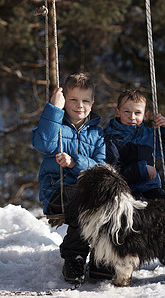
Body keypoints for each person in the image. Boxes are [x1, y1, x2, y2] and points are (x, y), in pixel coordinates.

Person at [31, 73, 106, 282]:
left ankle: (102, 258)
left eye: (85, 100)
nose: (79, 105)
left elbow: (101, 167)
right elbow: (43, 144)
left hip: (86, 193)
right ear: (64, 101)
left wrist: (75, 162)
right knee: (83, 201)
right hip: (58, 190)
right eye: (73, 99)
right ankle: (75, 256)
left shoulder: (98, 134)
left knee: (108, 204)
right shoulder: (56, 125)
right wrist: (54, 109)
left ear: (92, 103)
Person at [104, 89, 165, 200]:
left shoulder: (150, 136)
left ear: (145, 115)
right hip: (125, 192)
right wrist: (142, 170)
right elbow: (115, 172)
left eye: (137, 112)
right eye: (127, 112)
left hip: (151, 189)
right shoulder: (110, 139)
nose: (132, 117)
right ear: (117, 112)